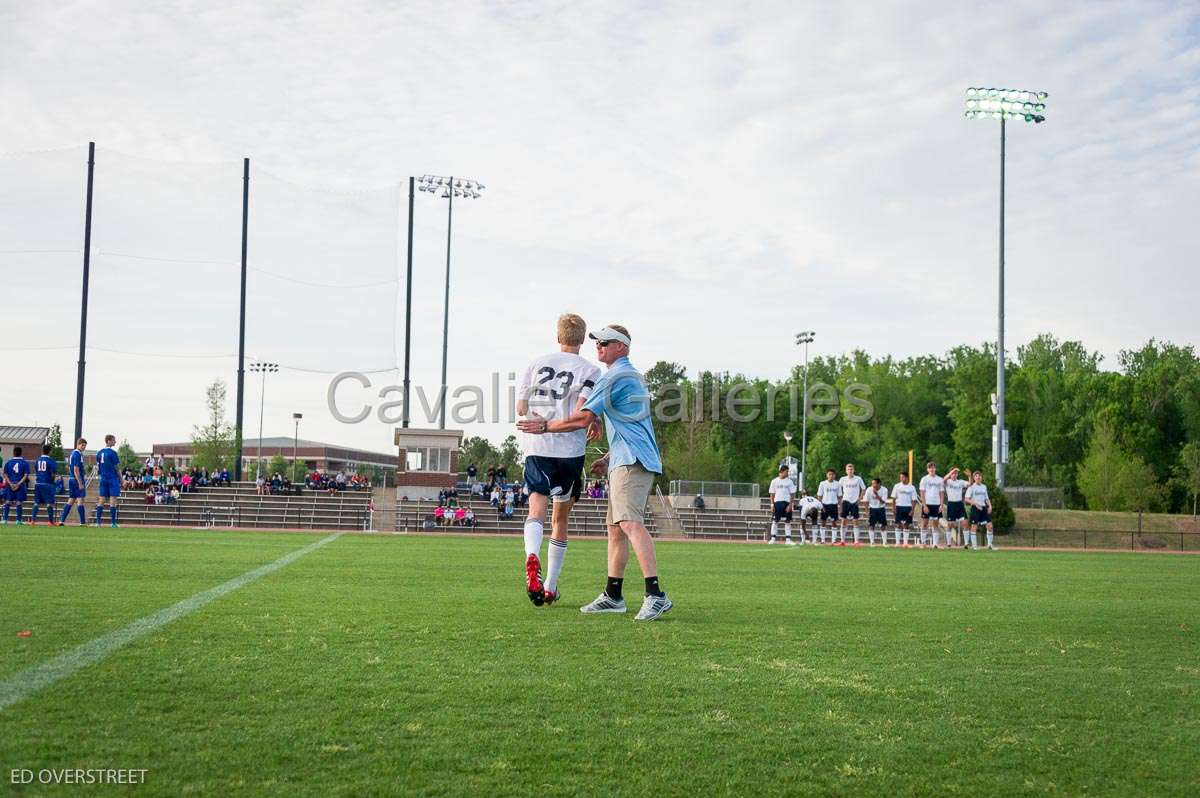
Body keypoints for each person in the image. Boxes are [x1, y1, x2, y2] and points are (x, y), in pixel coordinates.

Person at [518, 323, 672, 621]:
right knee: (615, 530)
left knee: (629, 524)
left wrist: (545, 426)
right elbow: (631, 424)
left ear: (622, 347)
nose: (599, 346)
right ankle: (613, 595)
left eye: (606, 342)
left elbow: (583, 417)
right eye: (597, 342)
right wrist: (609, 456)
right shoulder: (627, 375)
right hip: (625, 458)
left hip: (633, 461)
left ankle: (656, 595)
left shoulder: (616, 375)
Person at [514, 313, 603, 607]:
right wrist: (594, 419)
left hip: (537, 445)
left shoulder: (536, 363)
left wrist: (541, 415)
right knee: (560, 518)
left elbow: (520, 407)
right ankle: (551, 586)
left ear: (558, 336)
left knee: (536, 507)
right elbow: (581, 412)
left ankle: (531, 555)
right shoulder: (590, 370)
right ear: (583, 339)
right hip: (569, 451)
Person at [59, 438, 89, 526]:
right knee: (80, 500)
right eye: (82, 445)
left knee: (71, 500)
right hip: (76, 479)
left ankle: (62, 520)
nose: (84, 447)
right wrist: (80, 483)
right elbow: (76, 469)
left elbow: (70, 468)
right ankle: (82, 522)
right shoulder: (77, 454)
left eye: (85, 446)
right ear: (78, 444)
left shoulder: (72, 454)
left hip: (71, 478)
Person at [94, 434, 121, 527]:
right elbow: (117, 467)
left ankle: (98, 522)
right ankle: (113, 523)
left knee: (101, 499)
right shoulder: (113, 453)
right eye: (114, 440)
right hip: (112, 478)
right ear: (109, 441)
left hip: (103, 478)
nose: (115, 442)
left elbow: (98, 467)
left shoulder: (99, 452)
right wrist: (122, 479)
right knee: (113, 500)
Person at [767, 464, 797, 545]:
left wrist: (790, 505)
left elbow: (792, 494)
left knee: (788, 521)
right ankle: (773, 539)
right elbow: (772, 494)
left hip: (786, 503)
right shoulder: (774, 481)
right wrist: (772, 505)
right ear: (782, 471)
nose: (788, 473)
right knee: (775, 521)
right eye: (787, 471)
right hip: (777, 503)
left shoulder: (789, 481)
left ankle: (788, 540)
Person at [918, 461, 945, 548]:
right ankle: (923, 543)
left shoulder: (940, 479)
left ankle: (935, 544)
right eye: (930, 467)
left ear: (935, 469)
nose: (932, 469)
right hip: (927, 504)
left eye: (933, 467)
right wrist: (924, 505)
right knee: (925, 523)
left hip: (936, 504)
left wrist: (941, 505)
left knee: (935, 524)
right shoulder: (924, 479)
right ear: (927, 469)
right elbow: (922, 492)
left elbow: (941, 493)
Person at [966, 470, 995, 550]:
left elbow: (986, 498)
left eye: (979, 476)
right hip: (975, 508)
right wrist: (975, 504)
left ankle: (990, 545)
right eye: (976, 476)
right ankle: (974, 546)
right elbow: (966, 499)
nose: (978, 477)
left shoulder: (984, 486)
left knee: (990, 526)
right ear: (974, 478)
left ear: (981, 477)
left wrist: (990, 506)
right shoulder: (971, 487)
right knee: (974, 527)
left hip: (983, 508)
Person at [839, 463, 867, 546]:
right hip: (845, 501)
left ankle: (856, 541)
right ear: (846, 471)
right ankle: (842, 541)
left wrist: (860, 498)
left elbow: (863, 489)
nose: (850, 471)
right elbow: (838, 488)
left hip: (854, 502)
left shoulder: (858, 479)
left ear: (854, 470)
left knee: (855, 521)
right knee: (843, 520)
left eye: (851, 469)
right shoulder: (842, 479)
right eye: (848, 469)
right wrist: (840, 499)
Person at [2, 446, 31, 525]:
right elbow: (26, 475)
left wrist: (10, 483)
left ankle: (5, 520)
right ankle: (18, 520)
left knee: (8, 501)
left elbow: (5, 474)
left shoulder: (8, 462)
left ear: (13, 453)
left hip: (10, 485)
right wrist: (18, 484)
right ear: (21, 453)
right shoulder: (24, 463)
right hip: (20, 485)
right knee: (19, 502)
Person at [891, 471, 920, 547]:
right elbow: (893, 498)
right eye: (900, 477)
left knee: (906, 525)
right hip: (899, 506)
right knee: (898, 524)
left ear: (907, 477)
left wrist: (912, 510)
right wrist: (893, 508)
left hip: (908, 507)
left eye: (903, 477)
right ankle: (897, 542)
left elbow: (914, 500)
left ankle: (905, 543)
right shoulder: (897, 486)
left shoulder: (912, 487)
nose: (901, 478)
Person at [944, 467, 971, 548]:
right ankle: (948, 544)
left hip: (959, 504)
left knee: (965, 524)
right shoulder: (948, 482)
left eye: (956, 473)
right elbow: (944, 479)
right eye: (953, 473)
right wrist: (952, 470)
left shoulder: (960, 482)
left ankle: (966, 544)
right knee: (950, 524)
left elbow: (970, 484)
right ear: (950, 474)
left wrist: (970, 476)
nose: (954, 475)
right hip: (951, 504)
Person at [32, 444, 58, 525]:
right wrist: (53, 481)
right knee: (49, 503)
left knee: (36, 502)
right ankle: (50, 521)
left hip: (38, 483)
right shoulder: (51, 461)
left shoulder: (38, 460)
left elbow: (36, 470)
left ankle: (33, 521)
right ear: (50, 451)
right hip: (47, 483)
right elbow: (53, 474)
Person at [817, 468, 842, 545]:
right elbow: (819, 495)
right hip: (825, 504)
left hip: (833, 505)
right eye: (829, 474)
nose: (831, 476)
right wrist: (821, 506)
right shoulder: (822, 483)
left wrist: (839, 505)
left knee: (834, 522)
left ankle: (833, 540)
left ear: (834, 475)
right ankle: (823, 540)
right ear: (827, 475)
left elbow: (840, 496)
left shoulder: (837, 484)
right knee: (823, 522)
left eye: (832, 474)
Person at [864, 477, 889, 546]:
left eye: (874, 483)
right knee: (871, 525)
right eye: (872, 483)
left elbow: (883, 502)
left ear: (879, 484)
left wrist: (877, 495)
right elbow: (866, 501)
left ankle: (885, 542)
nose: (873, 485)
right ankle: (872, 542)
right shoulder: (869, 489)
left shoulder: (884, 490)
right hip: (872, 509)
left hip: (881, 508)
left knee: (883, 526)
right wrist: (866, 511)